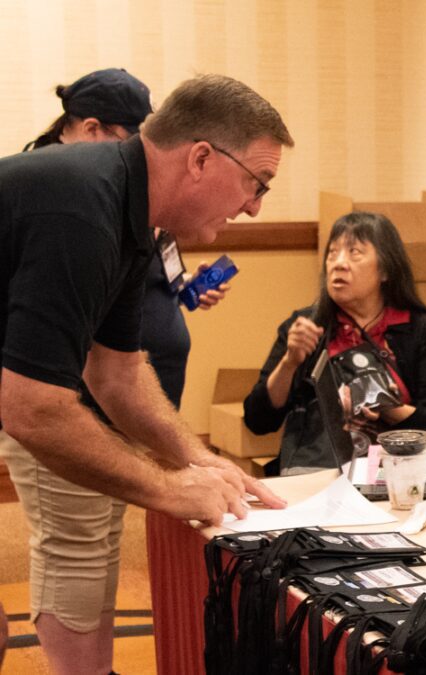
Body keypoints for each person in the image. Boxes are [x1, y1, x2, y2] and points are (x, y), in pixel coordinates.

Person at [0, 73, 293, 675]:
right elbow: (30, 407)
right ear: (202, 159)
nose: (255, 206)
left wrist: (196, 458)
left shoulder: (133, 211)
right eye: (256, 183)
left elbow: (118, 374)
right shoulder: (83, 206)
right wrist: (167, 487)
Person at [244, 211, 426, 475]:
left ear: (386, 269)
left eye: (354, 252)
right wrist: (290, 362)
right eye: (332, 253)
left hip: (395, 472)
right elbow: (258, 420)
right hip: (317, 472)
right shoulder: (306, 326)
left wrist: (390, 407)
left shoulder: (419, 327)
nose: (338, 264)